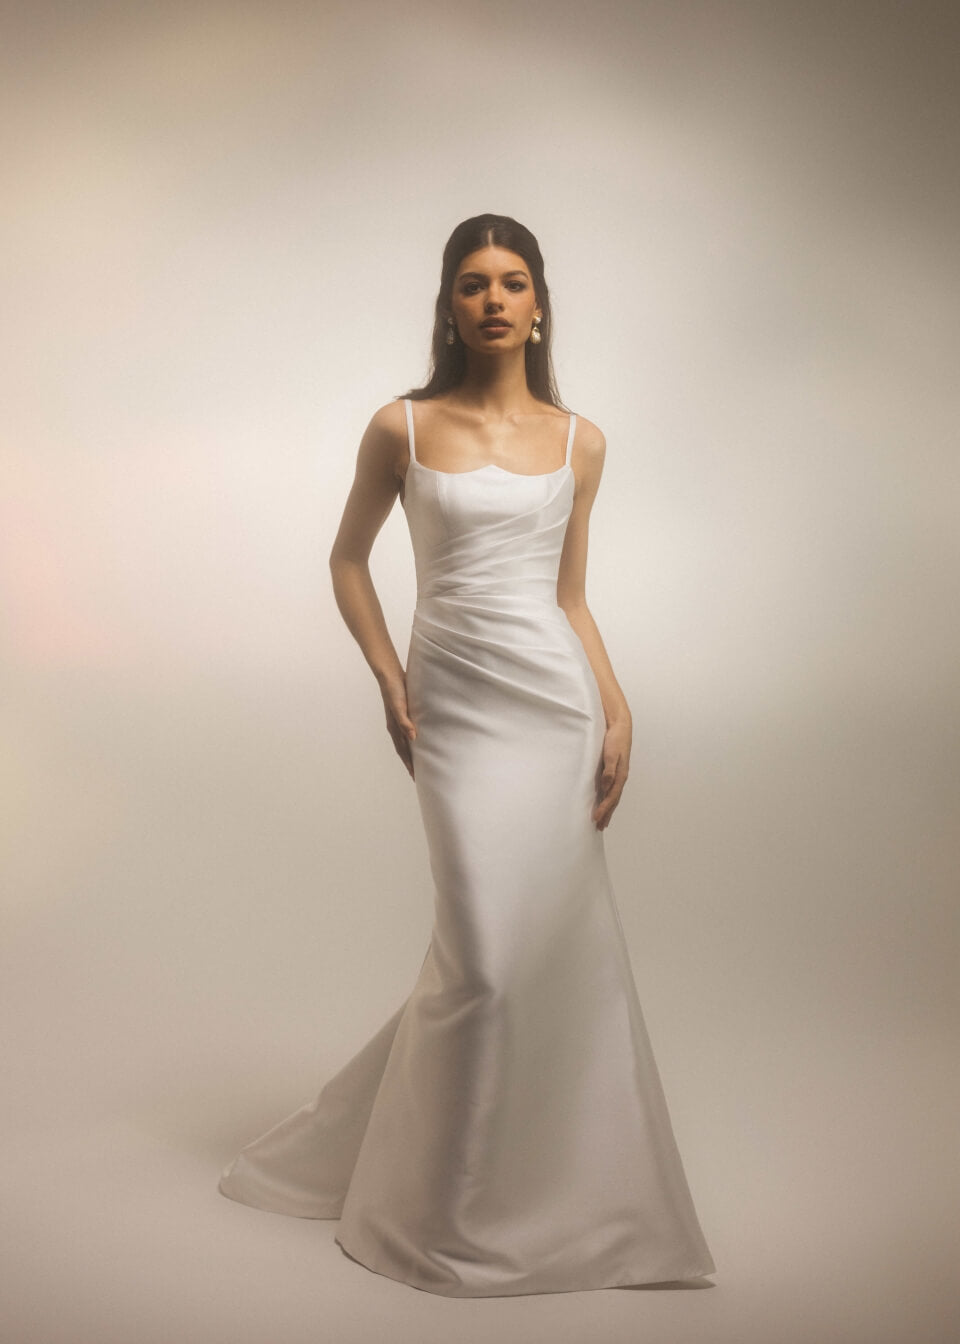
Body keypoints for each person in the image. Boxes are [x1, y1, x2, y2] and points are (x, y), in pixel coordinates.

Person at [217, 214, 717, 1297]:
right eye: (474, 283)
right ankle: (435, 1212)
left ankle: (557, 1193)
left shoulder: (582, 439)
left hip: (554, 703)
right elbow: (348, 560)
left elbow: (568, 596)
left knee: (538, 954)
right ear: (448, 304)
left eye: (514, 282)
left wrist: (616, 703)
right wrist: (389, 678)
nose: (494, 299)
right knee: (486, 958)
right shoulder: (400, 425)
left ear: (541, 306)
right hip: (452, 706)